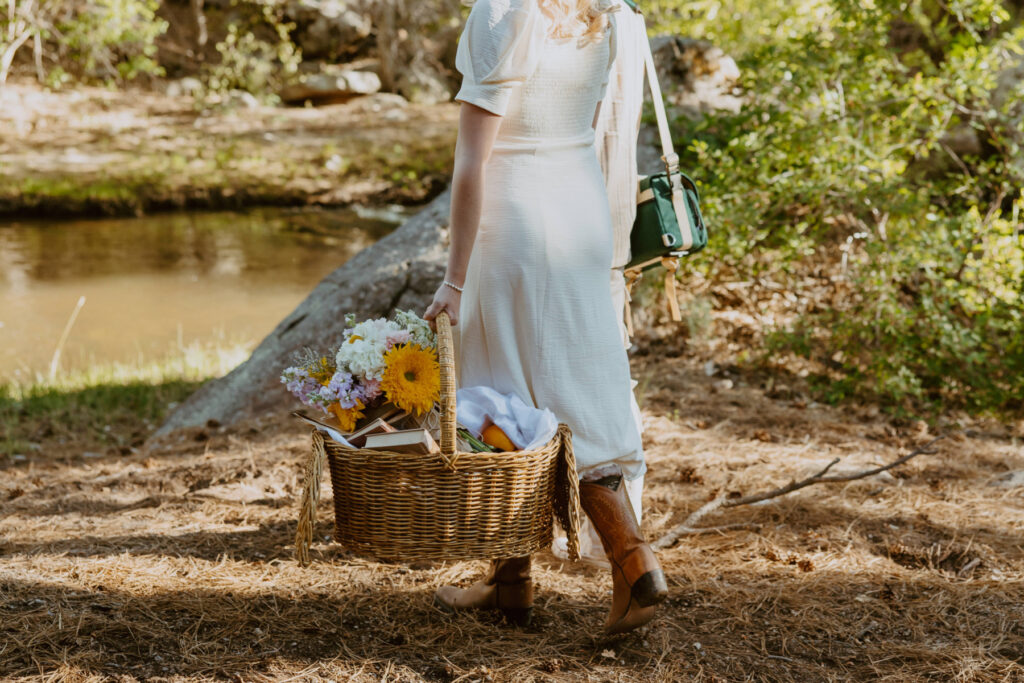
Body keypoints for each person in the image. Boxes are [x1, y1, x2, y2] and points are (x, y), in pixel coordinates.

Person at [423, 0, 667, 635]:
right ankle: (510, 581)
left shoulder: (501, 13)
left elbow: (474, 160)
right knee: (555, 387)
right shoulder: (606, 11)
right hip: (579, 212)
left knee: (508, 398)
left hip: (517, 222)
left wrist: (453, 280)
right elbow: (584, 125)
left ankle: (631, 561)